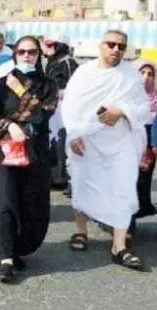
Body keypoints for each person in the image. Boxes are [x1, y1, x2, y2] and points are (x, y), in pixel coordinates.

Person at [62, 30, 150, 270]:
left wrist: (121, 111)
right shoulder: (84, 73)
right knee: (83, 183)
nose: (116, 50)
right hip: (88, 140)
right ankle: (80, 230)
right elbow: (70, 106)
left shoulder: (131, 76)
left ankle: (119, 246)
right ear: (101, 46)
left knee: (123, 188)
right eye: (111, 45)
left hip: (120, 142)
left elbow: (143, 109)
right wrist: (74, 135)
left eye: (121, 46)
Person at [0, 36, 58, 283]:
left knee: (33, 205)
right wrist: (10, 126)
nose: (27, 56)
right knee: (5, 202)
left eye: (32, 52)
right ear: (15, 53)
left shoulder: (49, 84)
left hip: (35, 152)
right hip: (5, 151)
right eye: (22, 51)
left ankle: (20, 249)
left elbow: (42, 115)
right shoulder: (1, 84)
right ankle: (5, 257)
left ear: (39, 55)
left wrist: (20, 91)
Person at [44, 34, 79, 191]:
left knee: (63, 141)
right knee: (54, 140)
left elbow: (73, 85)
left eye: (53, 45)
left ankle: (65, 177)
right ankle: (55, 175)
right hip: (53, 105)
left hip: (65, 107)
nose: (49, 48)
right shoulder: (52, 63)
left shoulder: (68, 62)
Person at [133, 61, 157, 225]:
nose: (146, 77)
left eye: (150, 74)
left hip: (150, 143)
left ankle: (142, 206)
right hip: (130, 141)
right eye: (142, 73)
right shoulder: (127, 96)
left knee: (143, 179)